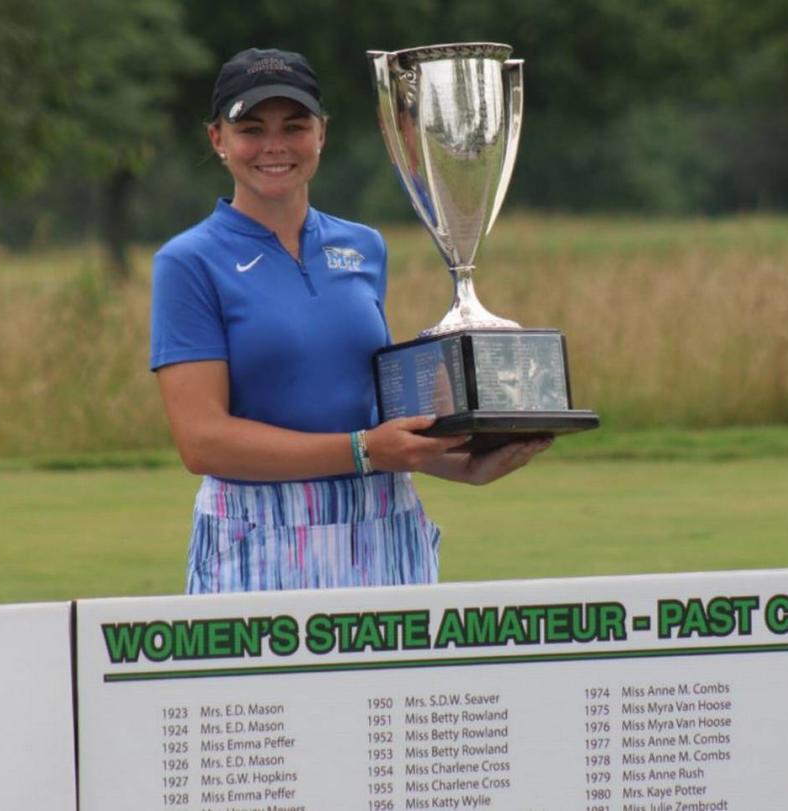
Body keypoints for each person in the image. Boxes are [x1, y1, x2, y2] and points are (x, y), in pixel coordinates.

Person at [150, 47, 553, 594]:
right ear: (217, 139)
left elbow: (369, 415)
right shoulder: (189, 261)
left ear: (322, 134)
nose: (274, 146)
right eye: (251, 128)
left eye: (295, 126)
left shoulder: (362, 247)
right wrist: (365, 451)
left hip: (385, 526)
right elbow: (203, 442)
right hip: (257, 537)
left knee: (403, 685)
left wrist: (460, 461)